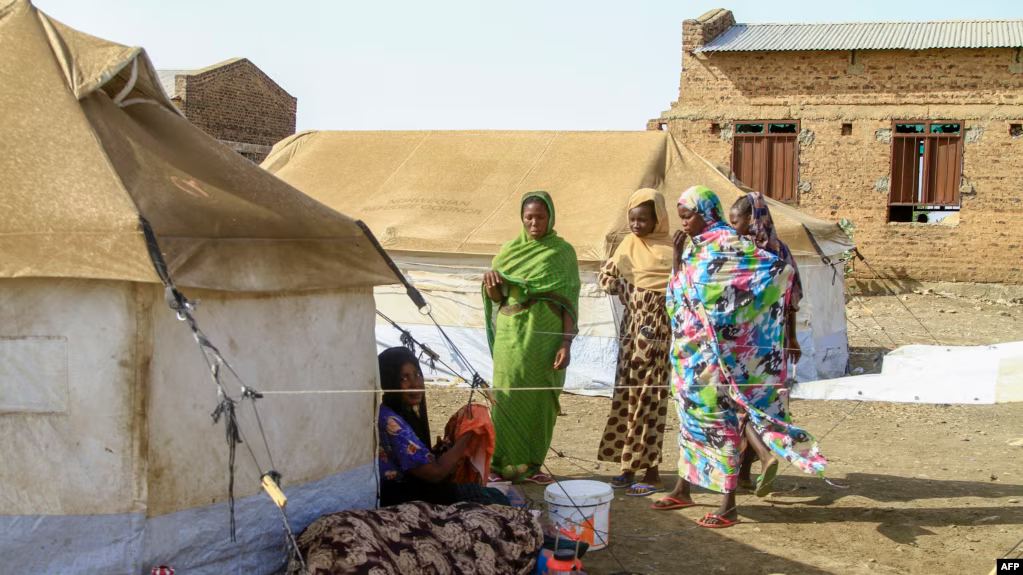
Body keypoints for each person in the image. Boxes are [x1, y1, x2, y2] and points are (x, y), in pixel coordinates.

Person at [652, 185, 826, 528]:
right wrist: (677, 260)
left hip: (722, 358)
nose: (683, 223)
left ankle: (727, 505)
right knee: (691, 423)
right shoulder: (695, 247)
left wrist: (752, 326)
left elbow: (780, 274)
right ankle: (683, 488)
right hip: (690, 356)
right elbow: (678, 298)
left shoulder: (729, 245)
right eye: (682, 217)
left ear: (706, 213)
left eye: (688, 216)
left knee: (723, 426)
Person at [483, 191, 580, 485]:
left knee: (541, 400)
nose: (534, 223)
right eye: (529, 217)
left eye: (540, 217)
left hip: (546, 340)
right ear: (521, 219)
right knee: (507, 396)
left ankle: (533, 465)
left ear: (550, 217)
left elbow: (569, 302)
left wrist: (565, 343)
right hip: (512, 339)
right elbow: (497, 297)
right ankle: (499, 466)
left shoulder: (562, 253)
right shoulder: (507, 253)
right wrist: (491, 286)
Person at [597, 188, 674, 496]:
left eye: (643, 219)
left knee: (652, 400)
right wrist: (623, 288)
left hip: (659, 337)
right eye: (633, 219)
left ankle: (651, 469)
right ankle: (627, 466)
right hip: (631, 336)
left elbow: (685, 290)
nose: (637, 225)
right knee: (629, 398)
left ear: (657, 219)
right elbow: (605, 278)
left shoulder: (674, 250)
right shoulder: (627, 246)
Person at [728, 192, 804, 492]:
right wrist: (793, 338)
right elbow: (792, 300)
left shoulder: (742, 251)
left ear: (750, 219)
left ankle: (762, 456)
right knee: (759, 405)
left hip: (742, 342)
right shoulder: (779, 250)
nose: (731, 226)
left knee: (738, 405)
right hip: (774, 343)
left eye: (735, 221)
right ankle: (746, 474)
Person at [377, 347, 509, 507]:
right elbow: (435, 473)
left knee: (493, 496)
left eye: (418, 374)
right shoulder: (391, 421)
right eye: (405, 378)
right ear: (389, 381)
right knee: (484, 498)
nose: (416, 384)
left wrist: (435, 453)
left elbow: (414, 460)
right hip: (403, 496)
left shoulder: (397, 411)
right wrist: (467, 435)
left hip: (414, 488)